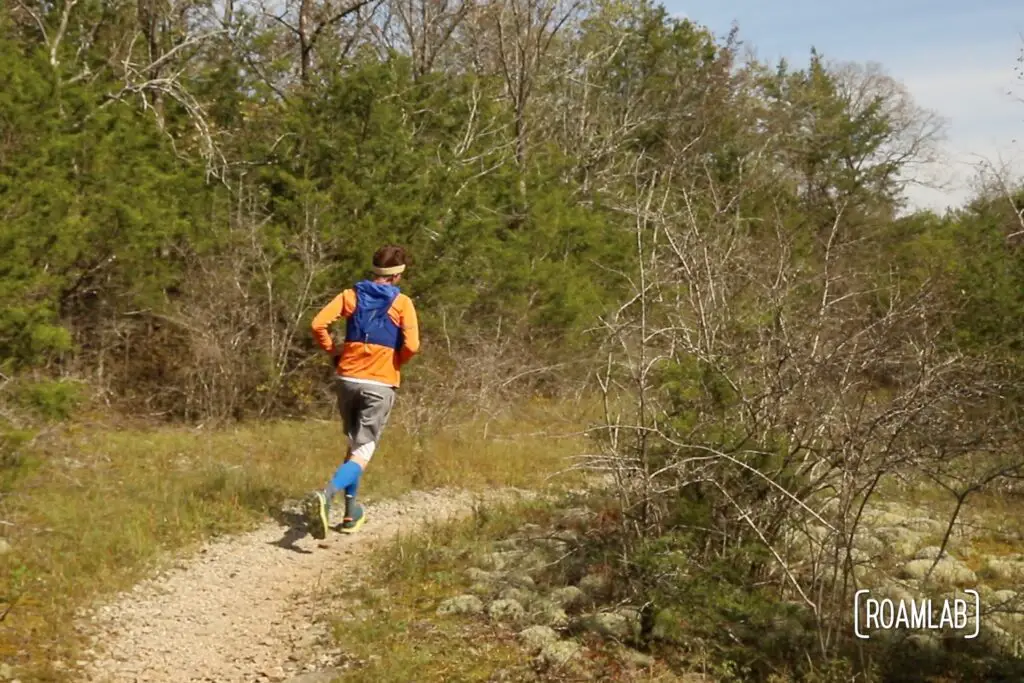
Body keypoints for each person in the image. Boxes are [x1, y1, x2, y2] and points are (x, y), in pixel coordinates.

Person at [303, 245, 420, 539]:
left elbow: (317, 324)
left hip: (347, 379)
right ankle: (326, 495)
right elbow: (413, 345)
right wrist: (396, 361)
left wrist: (334, 351)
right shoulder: (402, 303)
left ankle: (349, 514)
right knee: (365, 449)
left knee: (354, 445)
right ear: (397, 276)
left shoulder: (351, 295)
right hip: (379, 384)